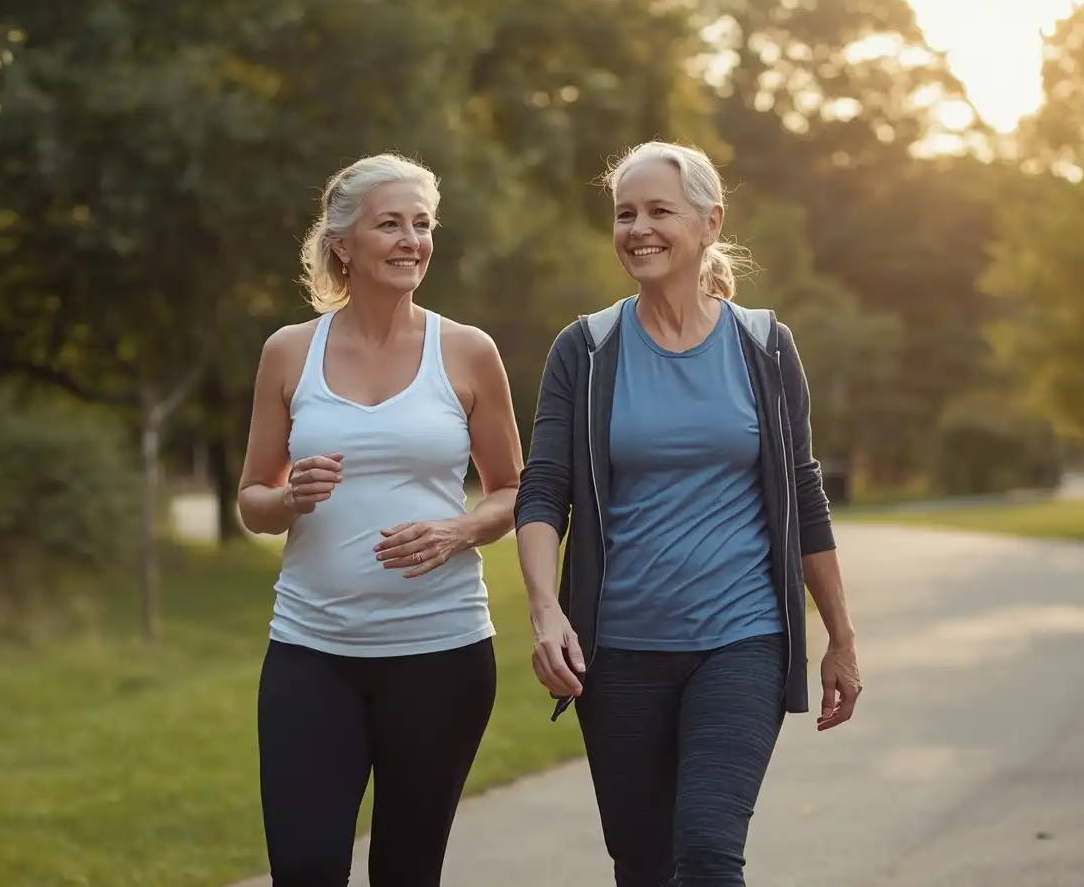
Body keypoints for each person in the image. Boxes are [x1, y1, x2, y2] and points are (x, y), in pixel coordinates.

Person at [513, 140, 863, 885]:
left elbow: (803, 493)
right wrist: (546, 610)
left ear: (710, 222)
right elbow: (544, 490)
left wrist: (840, 636)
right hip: (618, 655)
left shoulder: (766, 346)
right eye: (624, 214)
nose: (638, 228)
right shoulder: (586, 349)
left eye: (658, 211)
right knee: (642, 864)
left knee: (705, 853)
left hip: (742, 641)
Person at [237, 152, 524, 886]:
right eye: (389, 224)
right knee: (304, 867)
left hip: (441, 653)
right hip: (312, 651)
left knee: (405, 871)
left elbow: (514, 491)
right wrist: (292, 496)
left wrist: (458, 530)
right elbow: (253, 500)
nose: (411, 241)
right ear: (343, 244)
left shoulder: (466, 351)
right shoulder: (288, 352)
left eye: (422, 225)